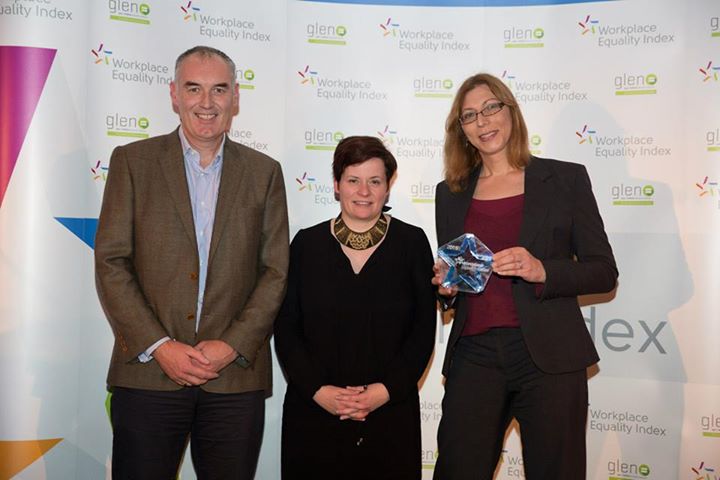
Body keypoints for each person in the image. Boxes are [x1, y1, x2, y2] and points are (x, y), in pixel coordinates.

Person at [94, 45, 289, 479]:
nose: (206, 102)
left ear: (235, 97)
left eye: (219, 90)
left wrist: (231, 345)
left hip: (234, 379)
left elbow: (275, 273)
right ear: (174, 95)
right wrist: (161, 346)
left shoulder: (265, 173)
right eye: (194, 88)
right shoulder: (132, 163)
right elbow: (111, 261)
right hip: (148, 376)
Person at [431, 73, 618, 479]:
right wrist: (447, 288)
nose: (483, 122)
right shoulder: (450, 193)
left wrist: (542, 269)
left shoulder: (565, 179)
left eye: (491, 108)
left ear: (511, 111)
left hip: (550, 358)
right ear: (461, 130)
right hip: (474, 355)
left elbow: (603, 271)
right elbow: (457, 277)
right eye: (469, 116)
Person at [274, 136, 436, 479]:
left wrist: (383, 392)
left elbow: (423, 332)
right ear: (336, 185)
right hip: (315, 414)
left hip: (389, 414)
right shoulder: (306, 244)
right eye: (353, 180)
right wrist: (318, 391)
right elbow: (286, 329)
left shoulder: (412, 243)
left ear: (387, 188)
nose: (364, 191)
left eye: (374, 181)